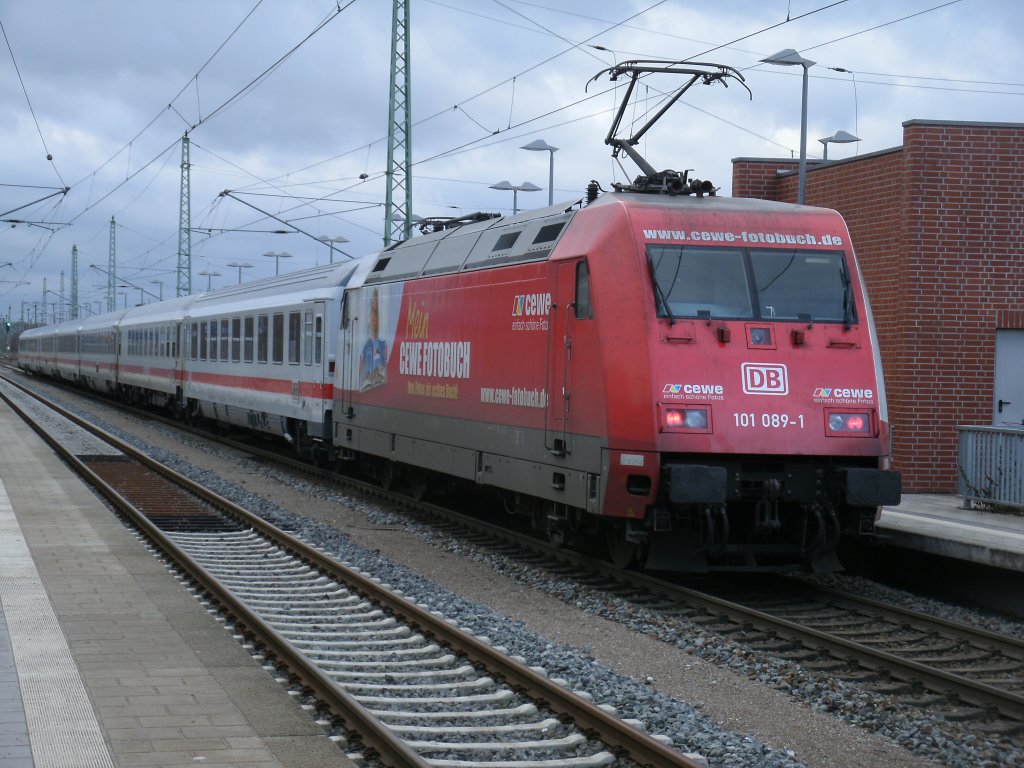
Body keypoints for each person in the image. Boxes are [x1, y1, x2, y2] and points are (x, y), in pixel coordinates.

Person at [359, 288, 387, 390]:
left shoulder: (383, 346)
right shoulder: (365, 348)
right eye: (373, 312)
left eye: (377, 313)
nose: (374, 318)